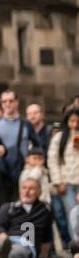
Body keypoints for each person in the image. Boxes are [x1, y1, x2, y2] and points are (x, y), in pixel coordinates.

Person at [0, 176, 53, 258]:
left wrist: (43, 256)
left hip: (27, 244)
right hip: (6, 241)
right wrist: (4, 237)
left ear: (39, 192)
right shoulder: (8, 207)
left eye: (31, 189)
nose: (26, 192)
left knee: (18, 251)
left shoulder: (45, 210)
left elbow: (47, 235)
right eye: (24, 188)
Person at [46, 107, 79, 250]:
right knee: (72, 213)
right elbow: (53, 161)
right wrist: (58, 182)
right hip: (67, 182)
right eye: (72, 121)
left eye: (77, 121)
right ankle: (76, 244)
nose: (75, 124)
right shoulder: (59, 138)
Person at [0, 89, 35, 193]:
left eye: (11, 101)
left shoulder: (26, 124)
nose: (8, 104)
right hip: (0, 172)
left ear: (17, 102)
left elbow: (36, 146)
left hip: (21, 171)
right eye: (4, 101)